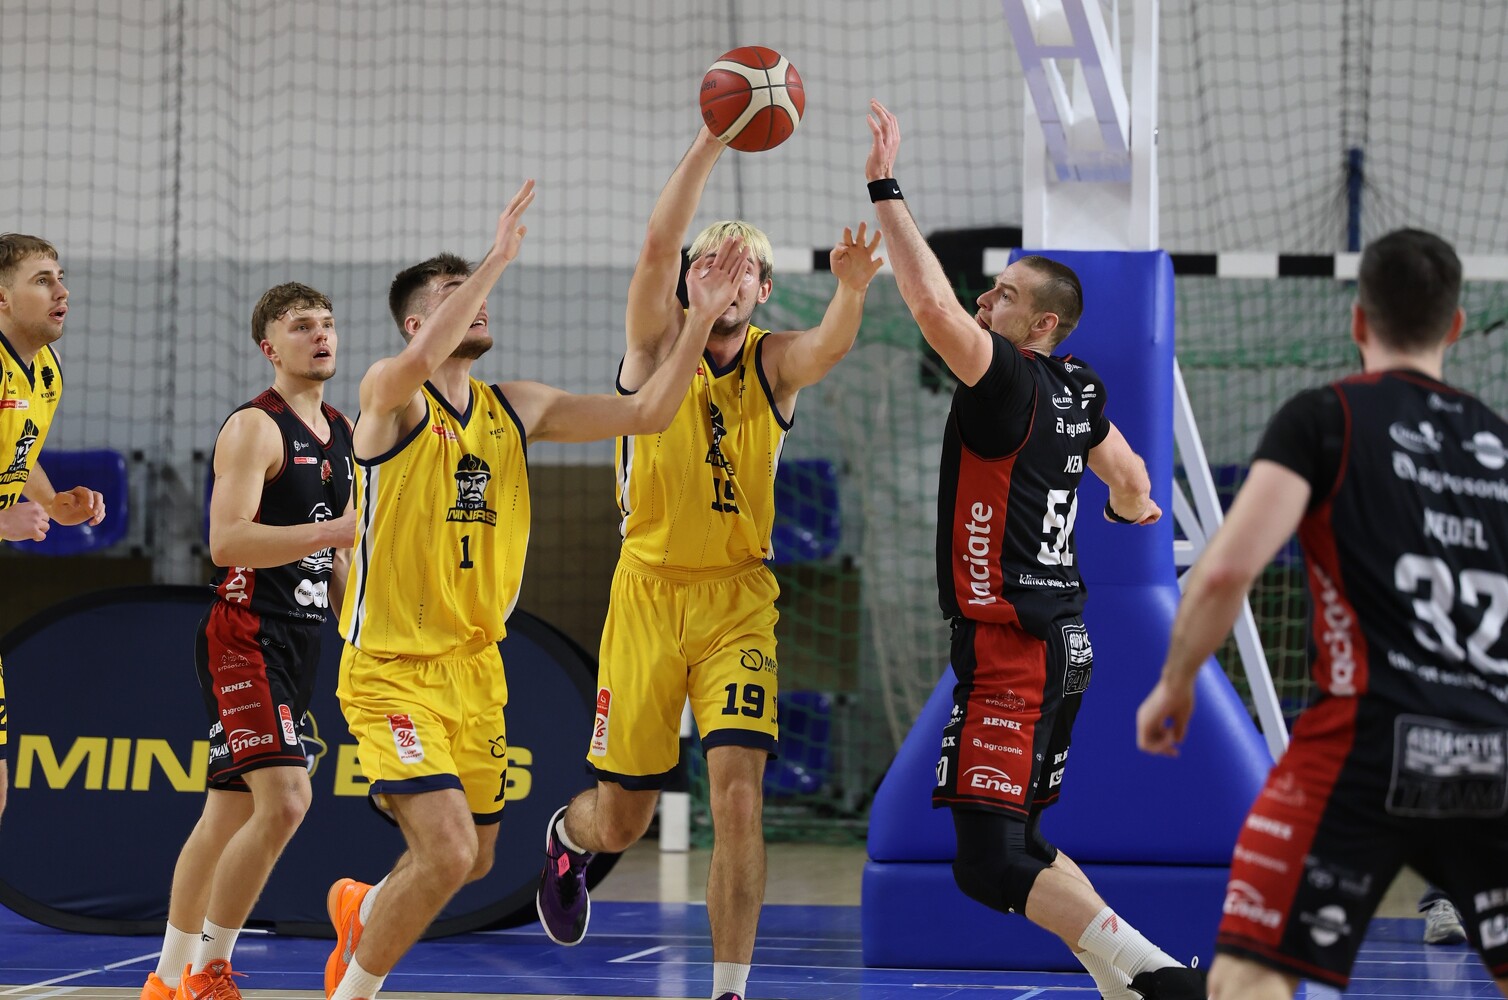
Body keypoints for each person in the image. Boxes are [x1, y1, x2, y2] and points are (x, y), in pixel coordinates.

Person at [322, 181, 756, 1000]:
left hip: (476, 670)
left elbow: (648, 414)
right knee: (449, 851)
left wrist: (698, 320)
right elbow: (412, 365)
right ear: (417, 325)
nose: (478, 302)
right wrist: (494, 259)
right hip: (390, 672)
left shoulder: (515, 408)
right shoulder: (390, 398)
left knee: (476, 860)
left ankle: (365, 906)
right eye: (453, 296)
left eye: (477, 291)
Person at [860, 102, 1205, 1000]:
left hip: (1013, 650)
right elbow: (1133, 478)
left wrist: (885, 186)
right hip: (1060, 646)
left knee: (989, 863)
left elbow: (929, 304)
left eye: (1005, 295)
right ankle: (1124, 981)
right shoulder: (1077, 389)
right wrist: (1132, 510)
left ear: (1042, 325)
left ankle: (1162, 978)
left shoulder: (1006, 381)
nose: (985, 301)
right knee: (1027, 843)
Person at [534, 126, 883, 1000]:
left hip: (738, 604)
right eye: (710, 263)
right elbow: (658, 245)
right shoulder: (657, 344)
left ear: (762, 290)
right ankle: (569, 841)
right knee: (624, 820)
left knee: (737, 797)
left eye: (743, 267)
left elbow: (829, 346)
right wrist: (712, 136)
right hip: (645, 596)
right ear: (689, 280)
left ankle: (729, 989)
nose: (725, 275)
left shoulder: (773, 361)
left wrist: (848, 293)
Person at [1136, 229, 1508, 998]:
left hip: (1362, 747)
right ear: (1456, 326)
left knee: (1250, 978)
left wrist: (1175, 683)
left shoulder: (1326, 417)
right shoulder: (1500, 445)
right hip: (1490, 752)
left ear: (1358, 320)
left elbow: (1226, 568)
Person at [136, 282, 357, 1000]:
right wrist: (332, 533)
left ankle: (165, 978)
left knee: (226, 812)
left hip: (303, 637)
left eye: (327, 324)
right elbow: (226, 541)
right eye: (302, 326)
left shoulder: (344, 430)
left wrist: (358, 628)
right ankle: (208, 970)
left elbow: (341, 555)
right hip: (245, 634)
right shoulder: (255, 427)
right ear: (270, 347)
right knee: (287, 802)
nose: (320, 335)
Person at [0, 233, 106, 827]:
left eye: (60, 277)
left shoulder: (46, 371)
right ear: (2, 299)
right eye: (42, 280)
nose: (62, 291)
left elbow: (20, 450)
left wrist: (52, 502)